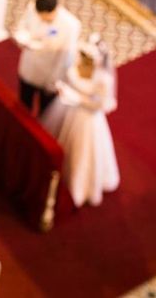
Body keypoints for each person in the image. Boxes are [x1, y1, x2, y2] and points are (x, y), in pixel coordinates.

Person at [41, 37, 120, 208]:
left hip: (86, 118)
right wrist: (64, 89)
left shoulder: (103, 80)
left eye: (87, 57)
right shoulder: (78, 62)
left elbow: (100, 105)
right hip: (66, 110)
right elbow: (71, 78)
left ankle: (78, 185)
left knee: (80, 150)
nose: (82, 59)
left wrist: (78, 99)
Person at [13, 0, 81, 115]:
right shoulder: (32, 8)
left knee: (45, 111)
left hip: (49, 74)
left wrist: (54, 81)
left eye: (44, 17)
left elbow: (66, 57)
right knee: (23, 105)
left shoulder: (71, 25)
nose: (41, 19)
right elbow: (21, 27)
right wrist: (26, 41)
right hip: (29, 67)